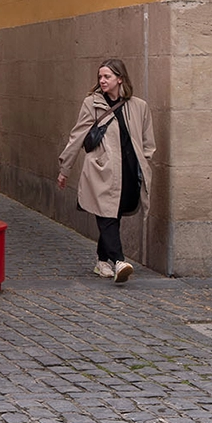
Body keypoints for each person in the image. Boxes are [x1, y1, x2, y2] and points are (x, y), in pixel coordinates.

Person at [56, 57, 155, 281]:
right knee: (107, 215)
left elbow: (148, 141)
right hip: (101, 171)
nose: (102, 80)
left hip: (129, 172)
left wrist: (144, 161)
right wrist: (65, 169)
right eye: (100, 76)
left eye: (107, 76)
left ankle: (101, 262)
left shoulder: (139, 106)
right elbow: (77, 137)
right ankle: (119, 261)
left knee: (114, 214)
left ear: (120, 79)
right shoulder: (91, 104)